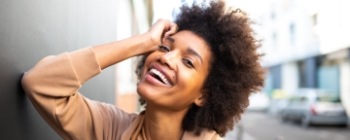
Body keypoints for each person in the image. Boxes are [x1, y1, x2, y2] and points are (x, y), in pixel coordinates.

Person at [21, 1, 264, 140]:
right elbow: (40, 83)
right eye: (164, 47)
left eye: (188, 62)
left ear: (204, 95)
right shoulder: (110, 128)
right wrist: (141, 42)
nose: (167, 58)